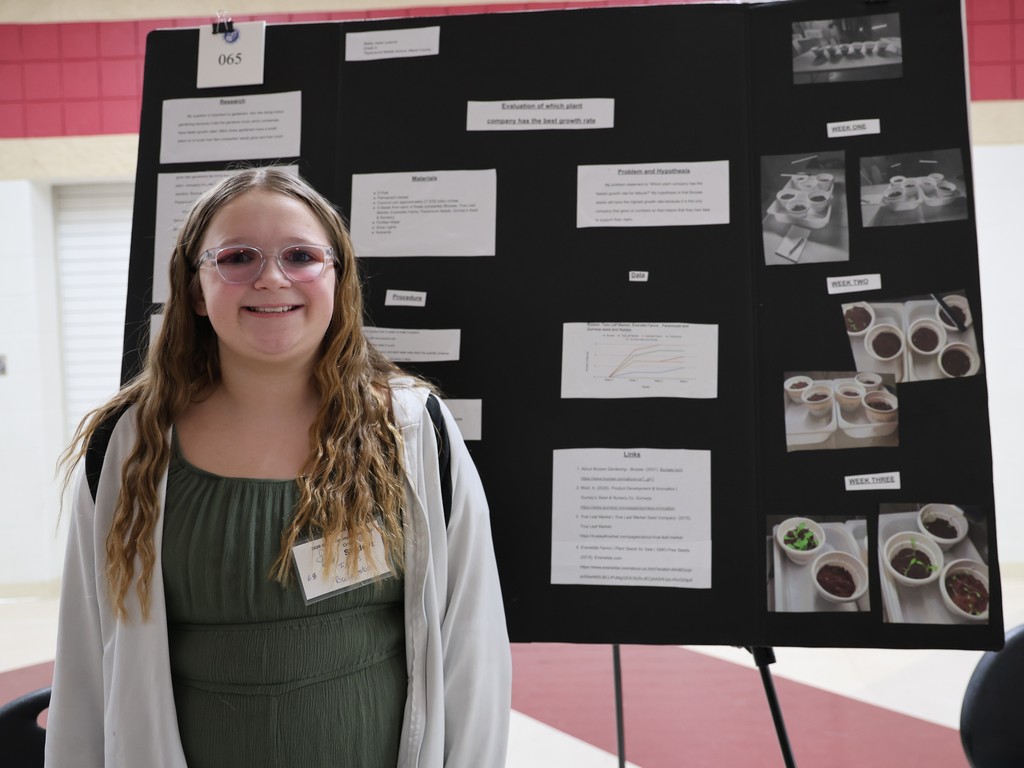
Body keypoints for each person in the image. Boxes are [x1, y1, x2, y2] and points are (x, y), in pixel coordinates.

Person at [45, 167, 511, 768]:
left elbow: (473, 649)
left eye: (301, 256)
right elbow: (85, 668)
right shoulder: (129, 446)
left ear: (337, 278)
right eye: (237, 257)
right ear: (195, 291)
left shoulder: (415, 432)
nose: (271, 278)